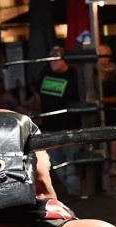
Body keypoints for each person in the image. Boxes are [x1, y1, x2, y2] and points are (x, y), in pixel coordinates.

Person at [37, 46, 83, 197]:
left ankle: (73, 191)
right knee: (55, 161)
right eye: (51, 59)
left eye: (56, 59)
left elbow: (79, 97)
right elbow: (38, 92)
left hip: (69, 125)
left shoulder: (73, 75)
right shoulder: (45, 72)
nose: (53, 63)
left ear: (64, 60)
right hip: (50, 125)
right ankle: (68, 187)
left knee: (72, 159)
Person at [97, 43, 116, 177]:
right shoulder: (97, 69)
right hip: (107, 106)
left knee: (115, 136)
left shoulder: (114, 70)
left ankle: (115, 165)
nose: (103, 58)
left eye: (105, 55)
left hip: (113, 106)